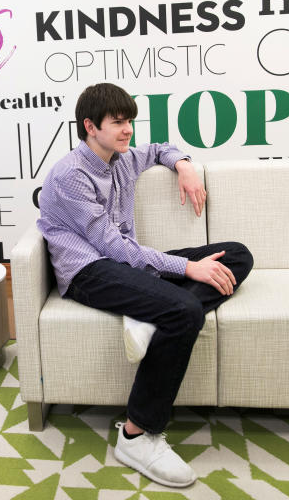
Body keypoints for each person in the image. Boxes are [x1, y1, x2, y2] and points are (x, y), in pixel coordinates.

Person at [36, 83, 253, 488]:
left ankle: (149, 315)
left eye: (130, 121)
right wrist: (187, 268)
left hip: (126, 262)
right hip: (90, 271)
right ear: (90, 126)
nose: (127, 130)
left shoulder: (122, 158)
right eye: (117, 123)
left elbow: (158, 149)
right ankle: (136, 434)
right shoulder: (71, 175)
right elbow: (114, 249)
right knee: (186, 311)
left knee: (237, 255)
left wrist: (184, 164)